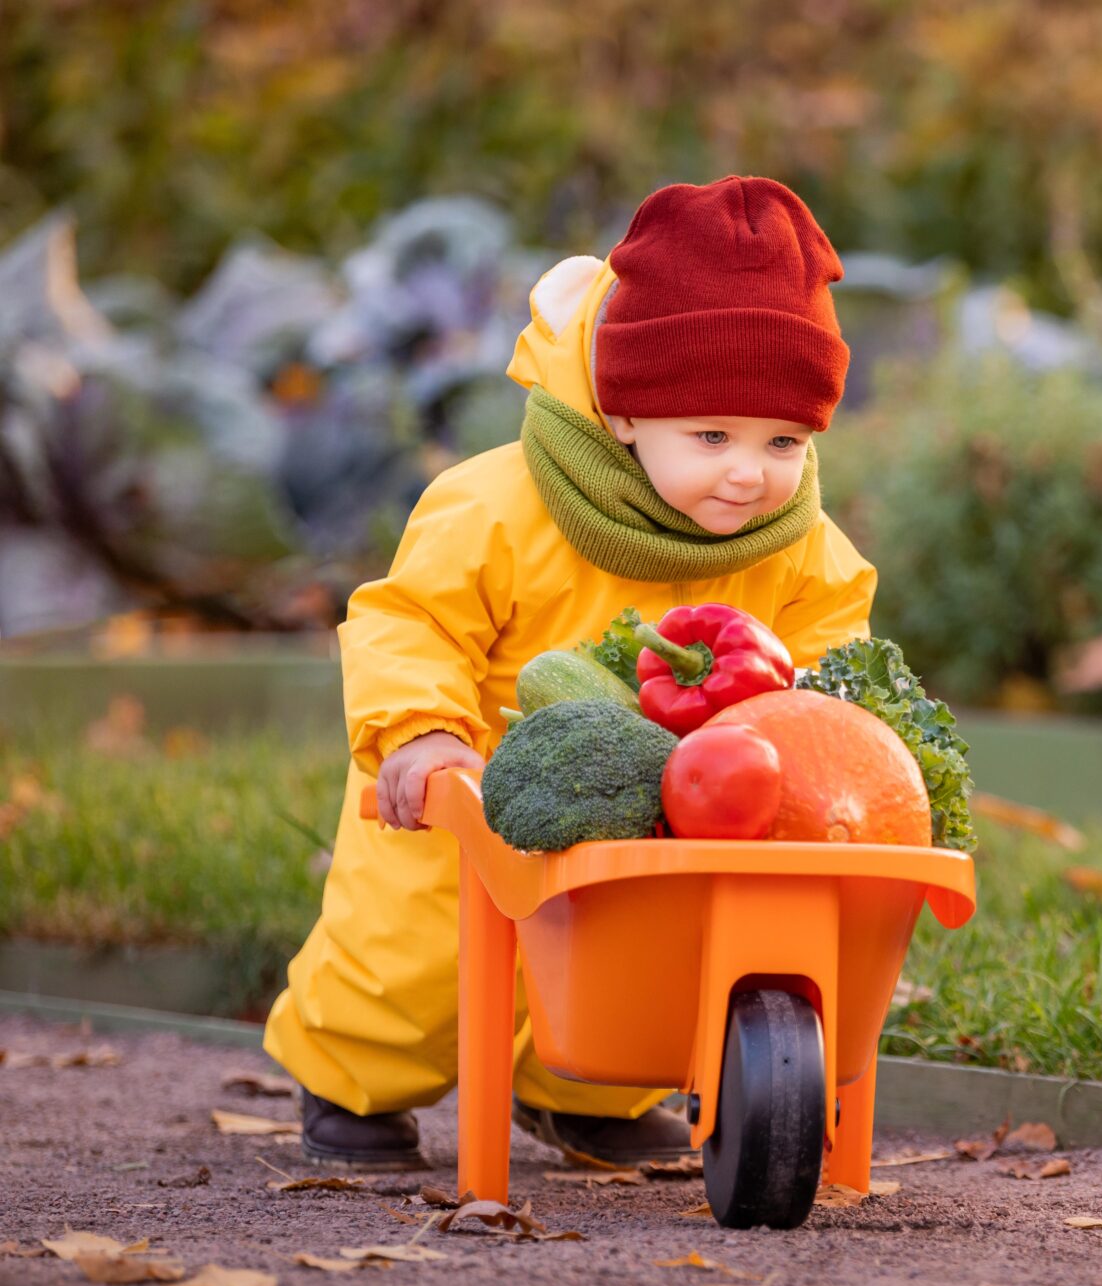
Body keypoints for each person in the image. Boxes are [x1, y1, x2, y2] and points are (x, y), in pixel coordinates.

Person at [263, 176, 875, 1171]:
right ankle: (348, 1079)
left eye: (782, 441)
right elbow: (408, 620)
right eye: (711, 435)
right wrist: (420, 731)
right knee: (411, 956)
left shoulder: (800, 549)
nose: (746, 473)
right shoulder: (497, 507)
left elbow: (825, 665)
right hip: (468, 778)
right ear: (626, 414)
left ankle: (586, 1089)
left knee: (643, 956)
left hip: (660, 801)